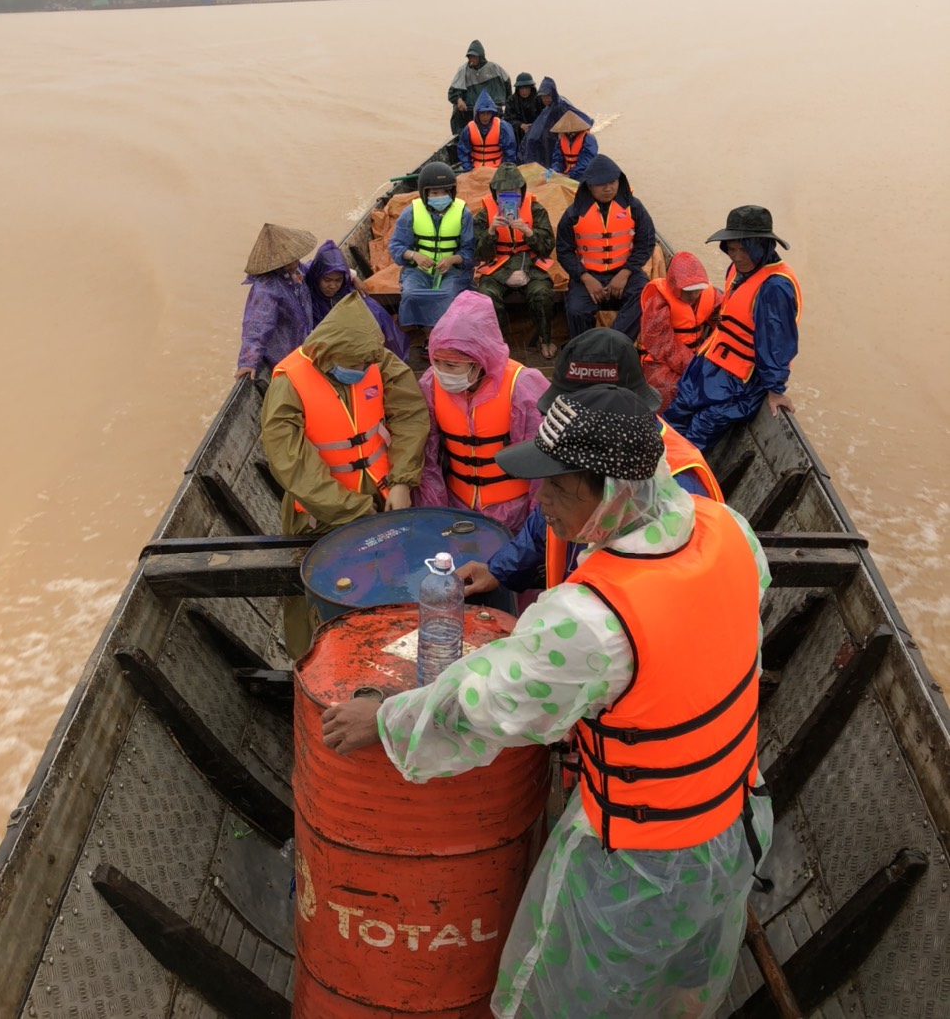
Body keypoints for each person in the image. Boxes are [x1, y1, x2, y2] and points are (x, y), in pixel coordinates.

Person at [322, 384, 772, 1019]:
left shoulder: (592, 620)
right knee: (679, 994)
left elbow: (484, 704)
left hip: (642, 863)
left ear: (609, 490)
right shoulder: (731, 531)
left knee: (579, 1001)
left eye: (556, 487)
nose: (542, 501)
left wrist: (389, 719)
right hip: (735, 823)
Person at [458, 328, 723, 604]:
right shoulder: (579, 452)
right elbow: (546, 518)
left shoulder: (680, 484)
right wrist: (499, 570)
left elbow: (670, 597)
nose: (543, 495)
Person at [261, 293, 429, 657]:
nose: (360, 369)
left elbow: (410, 415)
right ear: (327, 354)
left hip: (384, 499)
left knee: (392, 582)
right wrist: (351, 510)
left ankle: (391, 649)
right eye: (350, 363)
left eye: (365, 362)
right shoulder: (288, 383)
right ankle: (313, 661)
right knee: (321, 595)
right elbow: (291, 462)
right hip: (319, 514)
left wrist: (402, 481)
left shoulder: (375, 359)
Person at [665, 206, 802, 451]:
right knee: (675, 415)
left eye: (744, 249)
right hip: (710, 364)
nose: (737, 256)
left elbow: (776, 343)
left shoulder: (775, 287)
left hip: (741, 381)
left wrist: (776, 389)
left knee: (700, 429)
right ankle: (651, 466)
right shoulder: (737, 269)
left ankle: (674, 479)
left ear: (763, 246)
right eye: (732, 248)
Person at [416, 290, 548, 534]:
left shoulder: (522, 387)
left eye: (452, 365)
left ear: (479, 360)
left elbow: (541, 466)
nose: (442, 372)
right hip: (457, 507)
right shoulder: (430, 385)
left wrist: (535, 529)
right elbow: (427, 456)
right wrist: (435, 513)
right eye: (437, 362)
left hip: (513, 512)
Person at [555, 153, 656, 342]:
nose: (608, 188)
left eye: (612, 182)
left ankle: (613, 342)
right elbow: (564, 250)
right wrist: (585, 277)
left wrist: (625, 273)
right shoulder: (573, 214)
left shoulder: (634, 207)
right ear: (589, 185)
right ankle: (584, 349)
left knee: (645, 294)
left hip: (625, 273)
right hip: (588, 275)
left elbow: (646, 242)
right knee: (576, 309)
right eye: (601, 184)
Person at [473, 161, 557, 359]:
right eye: (504, 193)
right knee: (487, 296)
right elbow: (478, 254)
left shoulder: (536, 209)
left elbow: (547, 247)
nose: (510, 197)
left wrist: (528, 232)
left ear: (522, 190)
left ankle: (545, 339)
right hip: (497, 267)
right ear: (495, 193)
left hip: (530, 264)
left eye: (515, 192)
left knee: (542, 293)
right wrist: (491, 231)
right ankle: (498, 344)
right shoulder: (484, 214)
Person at [389, 161, 475, 340]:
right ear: (424, 193)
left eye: (445, 192)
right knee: (411, 294)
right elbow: (396, 246)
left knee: (447, 294)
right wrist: (414, 256)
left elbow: (470, 251)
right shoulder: (410, 212)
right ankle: (427, 333)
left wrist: (452, 260)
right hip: (418, 270)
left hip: (453, 271)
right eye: (435, 193)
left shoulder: (463, 213)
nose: (440, 196)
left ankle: (442, 336)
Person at [640, 250, 722, 412]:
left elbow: (724, 324)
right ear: (674, 286)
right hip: (660, 360)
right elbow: (661, 344)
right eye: (686, 290)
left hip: (697, 354)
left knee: (719, 384)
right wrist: (692, 367)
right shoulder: (659, 300)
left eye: (696, 290)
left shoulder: (711, 295)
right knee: (670, 388)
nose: (692, 295)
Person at [236, 222, 318, 379]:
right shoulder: (266, 288)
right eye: (290, 260)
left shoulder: (296, 269)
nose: (295, 261)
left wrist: (350, 275)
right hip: (284, 353)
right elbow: (258, 325)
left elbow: (314, 270)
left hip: (303, 341)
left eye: (295, 258)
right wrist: (248, 361)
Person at [305, 239, 409, 361]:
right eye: (327, 280)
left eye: (338, 280)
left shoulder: (353, 295)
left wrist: (353, 277)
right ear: (317, 276)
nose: (332, 286)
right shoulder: (308, 283)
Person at [519, 76, 594, 169]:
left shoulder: (562, 105)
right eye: (543, 97)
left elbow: (579, 117)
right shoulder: (547, 108)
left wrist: (585, 125)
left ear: (553, 94)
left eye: (547, 96)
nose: (545, 99)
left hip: (554, 141)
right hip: (546, 142)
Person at [447, 39, 511, 134]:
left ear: (481, 57)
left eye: (474, 57)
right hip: (470, 109)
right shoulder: (463, 70)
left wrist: (506, 101)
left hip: (493, 107)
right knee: (457, 112)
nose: (472, 60)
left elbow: (507, 85)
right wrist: (459, 100)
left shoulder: (494, 68)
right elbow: (453, 92)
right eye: (470, 57)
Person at [456, 92, 517, 173]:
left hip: (497, 169)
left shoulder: (503, 127)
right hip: (475, 169)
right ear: (477, 113)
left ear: (493, 113)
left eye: (488, 113)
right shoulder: (469, 128)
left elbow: (510, 152)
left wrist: (502, 170)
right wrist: (469, 170)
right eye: (482, 113)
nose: (485, 116)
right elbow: (462, 152)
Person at [548, 111, 599, 180]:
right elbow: (558, 158)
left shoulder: (588, 139)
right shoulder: (561, 139)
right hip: (567, 173)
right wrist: (555, 170)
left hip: (584, 174)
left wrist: (571, 175)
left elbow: (586, 160)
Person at [504, 72, 543, 152]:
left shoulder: (539, 99)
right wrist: (520, 125)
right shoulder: (511, 100)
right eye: (522, 88)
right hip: (517, 135)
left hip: (537, 134)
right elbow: (507, 119)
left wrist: (535, 126)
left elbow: (544, 116)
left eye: (527, 88)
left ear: (531, 88)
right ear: (518, 89)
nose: (524, 91)